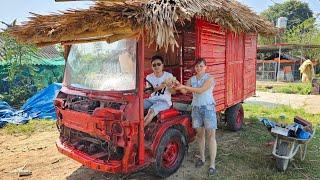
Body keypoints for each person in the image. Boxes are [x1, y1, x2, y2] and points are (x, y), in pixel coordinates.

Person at [175, 58, 217, 175]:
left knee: (211, 136)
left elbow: (201, 90)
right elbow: (184, 91)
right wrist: (177, 85)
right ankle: (202, 158)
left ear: (205, 67)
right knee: (200, 135)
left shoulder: (210, 78)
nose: (198, 68)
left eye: (201, 66)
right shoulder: (192, 79)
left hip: (208, 108)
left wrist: (185, 87)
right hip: (196, 109)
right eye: (197, 66)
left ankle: (212, 164)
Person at [144, 55, 176, 127]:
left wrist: (169, 87)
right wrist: (160, 86)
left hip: (164, 101)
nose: (156, 67)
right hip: (151, 100)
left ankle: (139, 132)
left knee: (151, 111)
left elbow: (174, 92)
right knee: (136, 106)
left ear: (162, 65)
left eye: (158, 64)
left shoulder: (169, 76)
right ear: (152, 67)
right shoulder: (149, 77)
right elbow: (148, 92)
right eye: (154, 65)